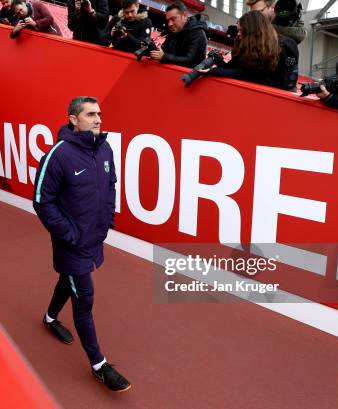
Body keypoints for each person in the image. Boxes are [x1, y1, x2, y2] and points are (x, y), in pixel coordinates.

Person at [33, 96, 131, 393]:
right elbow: (41, 201)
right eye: (90, 114)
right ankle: (99, 366)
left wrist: (107, 218)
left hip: (94, 237)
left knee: (69, 278)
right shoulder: (58, 155)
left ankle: (49, 318)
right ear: (73, 119)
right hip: (72, 242)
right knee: (84, 297)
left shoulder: (105, 147)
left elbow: (111, 183)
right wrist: (69, 234)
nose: (99, 119)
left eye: (99, 113)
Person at [197, 10, 298, 91]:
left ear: (253, 32)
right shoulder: (245, 44)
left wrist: (215, 71)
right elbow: (235, 69)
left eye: (241, 30)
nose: (238, 34)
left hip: (278, 97)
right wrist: (218, 61)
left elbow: (250, 75)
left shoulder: (286, 47)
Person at [149, 1, 207, 68]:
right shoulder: (173, 32)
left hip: (186, 77)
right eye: (168, 20)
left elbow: (190, 60)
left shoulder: (198, 33)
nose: (169, 24)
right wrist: (152, 51)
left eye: (173, 19)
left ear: (184, 16)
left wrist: (164, 57)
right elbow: (163, 51)